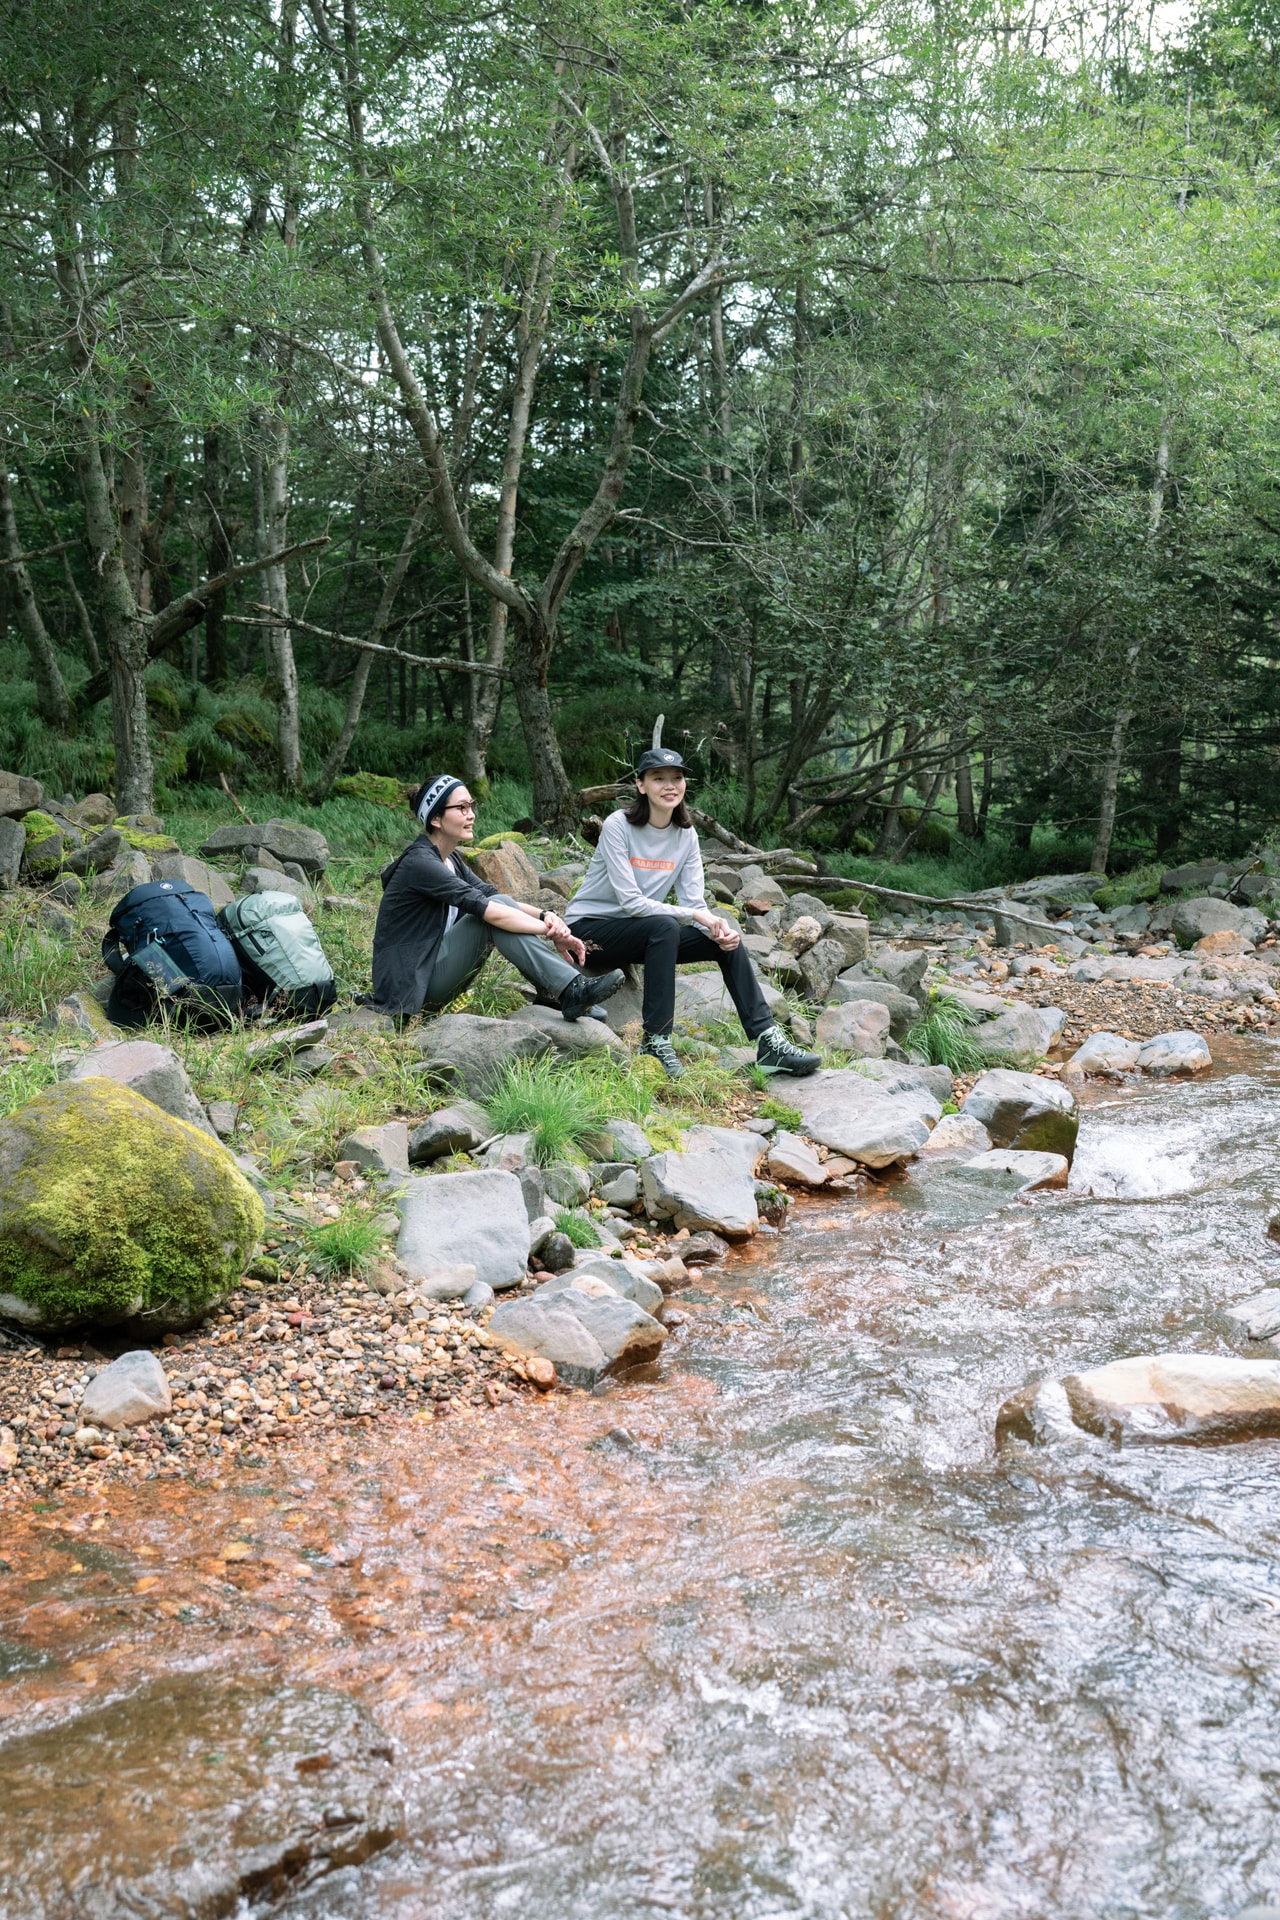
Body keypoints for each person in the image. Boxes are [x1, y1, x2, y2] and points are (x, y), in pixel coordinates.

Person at [567, 746, 820, 1079]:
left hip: (641, 932)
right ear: (641, 785)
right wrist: (697, 917)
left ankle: (768, 1043)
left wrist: (718, 930)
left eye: (677, 777)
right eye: (659, 778)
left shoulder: (685, 834)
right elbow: (631, 902)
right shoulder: (619, 825)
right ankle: (656, 1041)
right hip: (588, 930)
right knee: (666, 926)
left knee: (724, 939)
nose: (670, 785)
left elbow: (694, 902)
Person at [371, 773, 626, 1021]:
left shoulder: (451, 861)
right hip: (408, 990)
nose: (471, 814)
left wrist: (545, 915)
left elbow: (492, 895)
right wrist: (553, 933)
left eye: (471, 805)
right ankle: (569, 990)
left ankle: (561, 991)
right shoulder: (421, 863)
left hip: (429, 974)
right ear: (436, 818)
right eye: (461, 807)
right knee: (490, 916)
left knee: (497, 904)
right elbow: (489, 910)